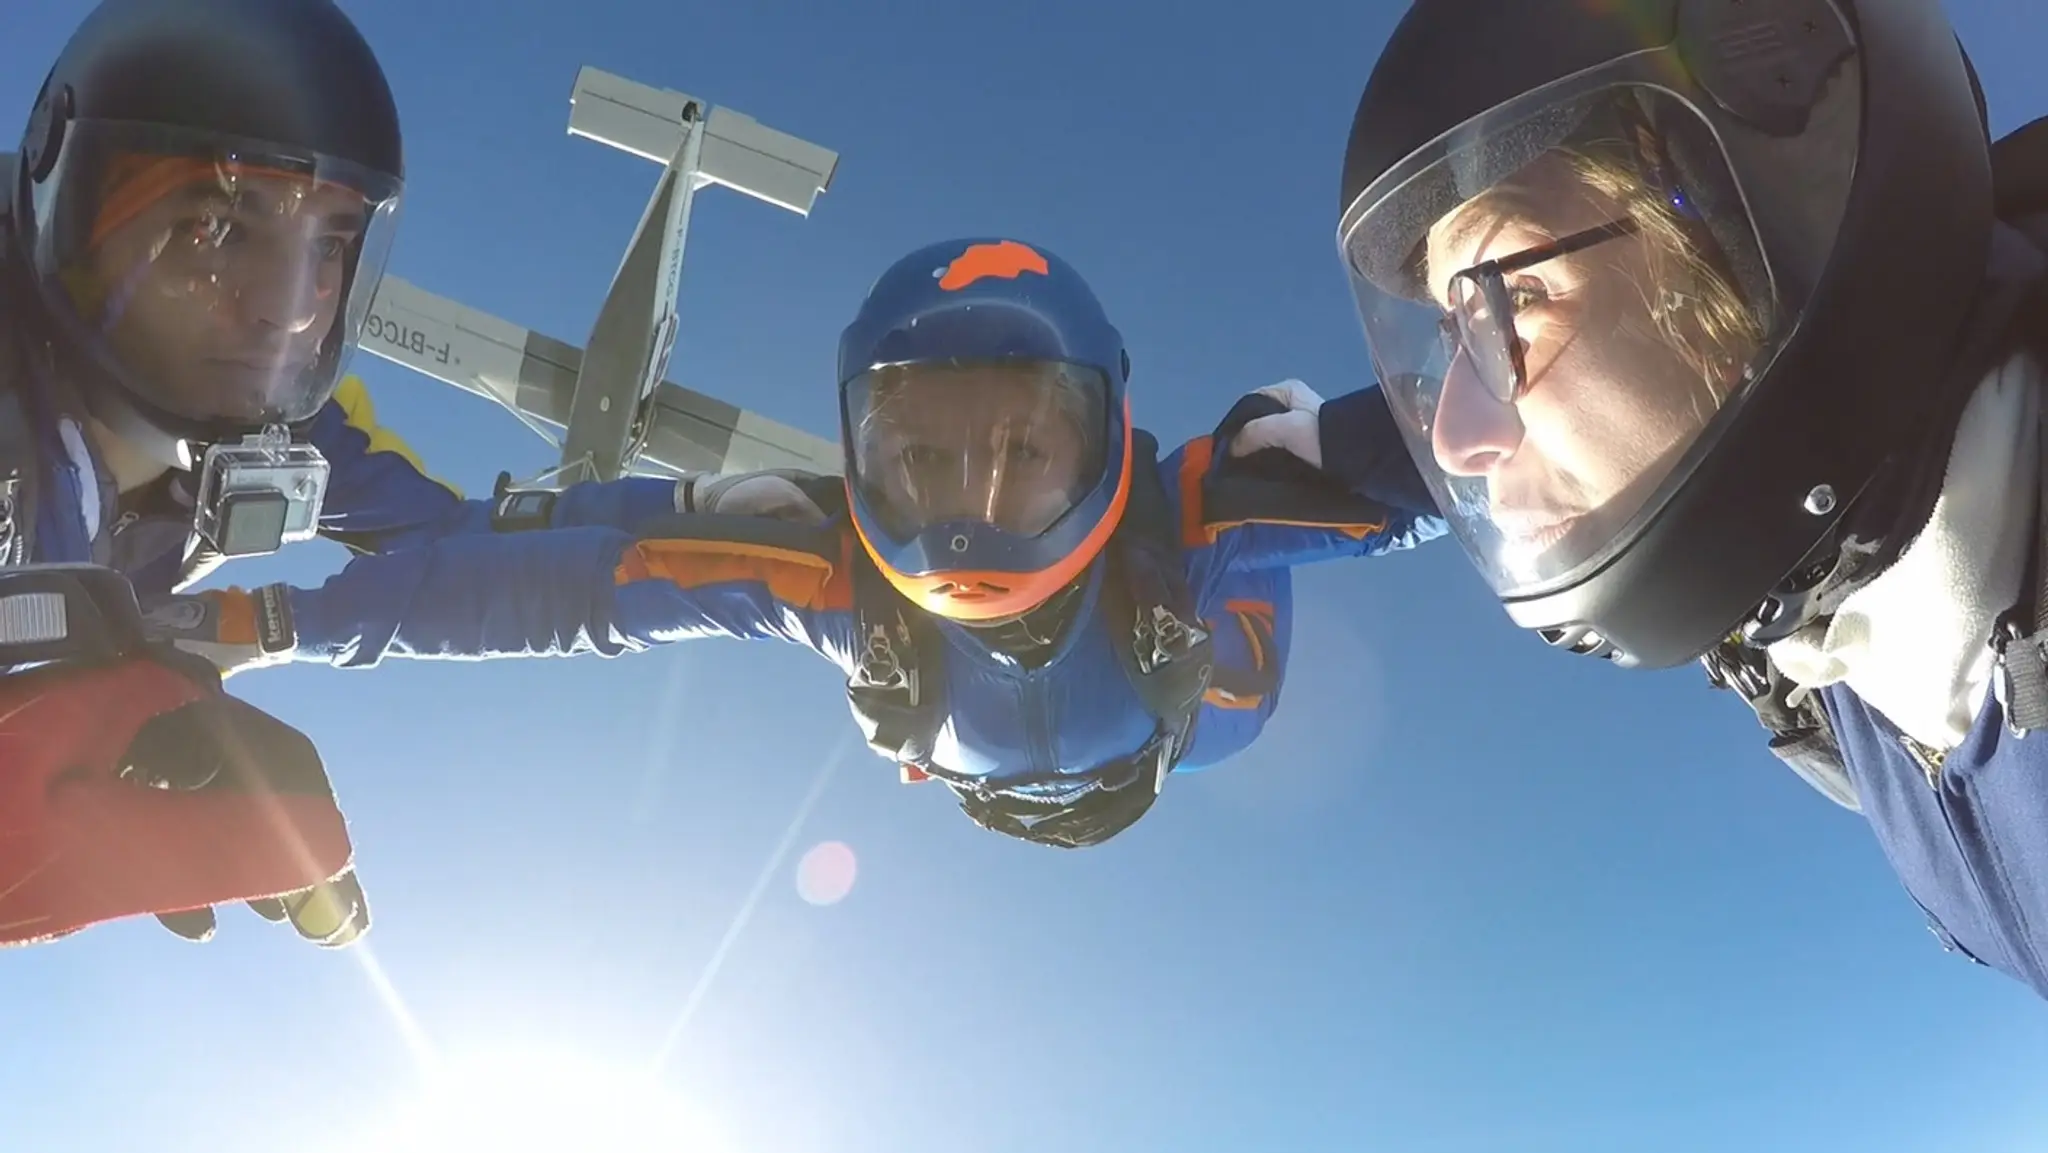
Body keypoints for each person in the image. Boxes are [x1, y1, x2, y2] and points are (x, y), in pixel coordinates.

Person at [1252, 0, 2048, 999]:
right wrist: (1332, 447)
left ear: (1753, 243)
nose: (1455, 435)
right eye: (1453, 344)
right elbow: (1630, 397)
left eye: (1511, 302)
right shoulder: (1814, 630)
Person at [241, 237, 1444, 847]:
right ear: (866, 447)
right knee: (570, 527)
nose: (971, 500)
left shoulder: (1173, 515)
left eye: (1021, 449)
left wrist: (1331, 437)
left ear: (1097, 437)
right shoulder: (852, 563)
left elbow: (1468, 464)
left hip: (1189, 711)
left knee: (1264, 457)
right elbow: (577, 578)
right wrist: (285, 620)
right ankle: (372, 491)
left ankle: (389, 503)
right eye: (923, 455)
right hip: (1165, 715)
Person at [1, 0, 689, 949]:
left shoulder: (293, 430)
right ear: (65, 195)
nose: (286, 312)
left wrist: (758, 557)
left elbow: (463, 543)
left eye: (327, 244)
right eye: (215, 227)